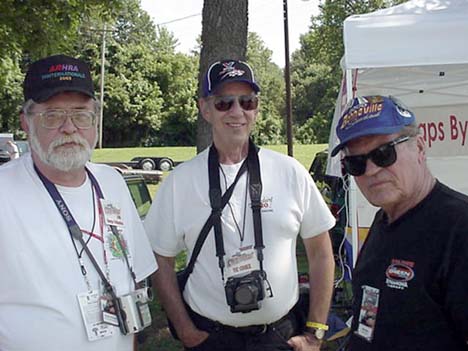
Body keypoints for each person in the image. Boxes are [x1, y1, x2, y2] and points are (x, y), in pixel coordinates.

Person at [144, 59, 336, 351]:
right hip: (211, 338)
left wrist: (316, 332)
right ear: (205, 108)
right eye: (224, 103)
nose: (237, 112)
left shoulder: (289, 172)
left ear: (256, 108)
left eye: (247, 102)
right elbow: (160, 260)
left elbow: (321, 252)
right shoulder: (179, 182)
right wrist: (185, 330)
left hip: (279, 337)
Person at [0, 54, 158, 351]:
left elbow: (131, 282)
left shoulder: (112, 183)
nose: (69, 127)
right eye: (53, 115)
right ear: (26, 121)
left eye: (81, 114)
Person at [330, 95, 468, 350]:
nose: (370, 170)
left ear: (420, 148)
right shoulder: (385, 218)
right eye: (356, 163)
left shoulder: (458, 227)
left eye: (384, 154)